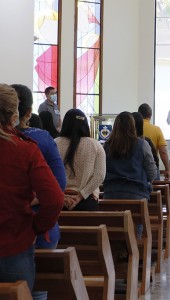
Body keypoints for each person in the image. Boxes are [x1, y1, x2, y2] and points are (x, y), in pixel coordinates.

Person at [0, 83, 64, 294]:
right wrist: (35, 227)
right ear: (14, 115)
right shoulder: (25, 149)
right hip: (13, 246)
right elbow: (55, 199)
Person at [56, 109, 106, 211]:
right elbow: (100, 175)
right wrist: (80, 196)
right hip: (87, 201)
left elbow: (48, 173)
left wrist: (63, 197)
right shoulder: (95, 145)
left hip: (59, 201)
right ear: (85, 124)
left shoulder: (55, 143)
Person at [103, 112, 157, 200]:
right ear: (133, 126)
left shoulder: (107, 146)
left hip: (111, 193)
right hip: (136, 194)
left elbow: (102, 171)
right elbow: (152, 173)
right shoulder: (142, 144)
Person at [138, 103, 170, 180]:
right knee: (154, 190)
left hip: (135, 166)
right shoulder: (156, 129)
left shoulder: (132, 128)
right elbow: (163, 152)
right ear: (150, 116)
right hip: (152, 166)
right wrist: (167, 169)